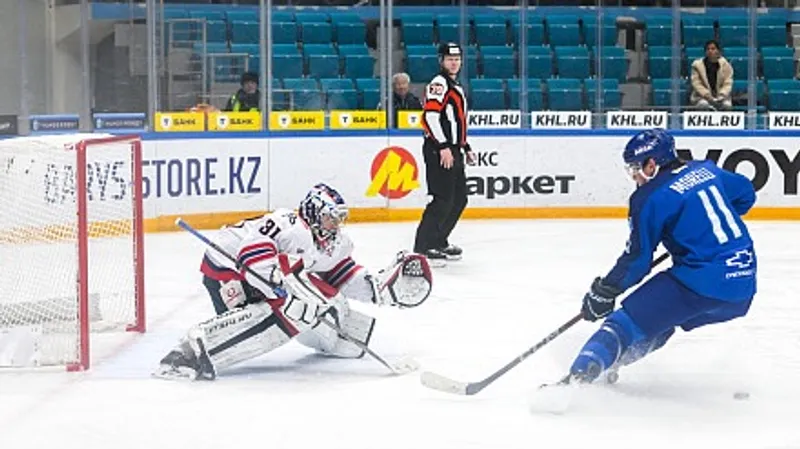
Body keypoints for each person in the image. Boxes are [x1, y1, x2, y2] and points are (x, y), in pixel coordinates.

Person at [154, 183, 433, 381]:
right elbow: (250, 253)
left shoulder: (333, 242)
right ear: (313, 213)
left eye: (338, 219)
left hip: (261, 274)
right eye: (329, 218)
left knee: (324, 303)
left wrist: (379, 289)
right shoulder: (290, 224)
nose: (335, 225)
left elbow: (340, 275)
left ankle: (337, 338)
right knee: (293, 308)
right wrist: (281, 286)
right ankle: (193, 352)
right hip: (227, 271)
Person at [564, 128, 756, 384]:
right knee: (660, 322)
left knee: (622, 324)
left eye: (636, 168)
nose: (634, 176)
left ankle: (574, 381)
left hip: (702, 282)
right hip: (743, 288)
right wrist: (699, 229)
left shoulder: (649, 198)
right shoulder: (706, 169)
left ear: (652, 164)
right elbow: (746, 194)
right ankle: (607, 365)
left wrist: (605, 291)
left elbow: (637, 261)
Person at [413, 42, 476, 266]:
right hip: (439, 149)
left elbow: (457, 121)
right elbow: (430, 116)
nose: (454, 63)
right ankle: (423, 247)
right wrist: (442, 146)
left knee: (459, 199)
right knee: (442, 199)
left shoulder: (455, 85)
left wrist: (465, 146)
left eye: (457, 59)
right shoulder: (439, 83)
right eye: (450, 59)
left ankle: (439, 240)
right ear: (441, 61)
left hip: (452, 148)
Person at [690, 40, 733, 111]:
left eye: (713, 49)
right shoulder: (697, 65)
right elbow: (696, 83)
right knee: (703, 104)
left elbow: (728, 83)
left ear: (718, 51)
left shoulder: (726, 65)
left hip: (721, 97)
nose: (710, 51)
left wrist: (722, 95)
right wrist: (708, 96)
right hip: (701, 97)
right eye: (708, 49)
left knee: (727, 105)